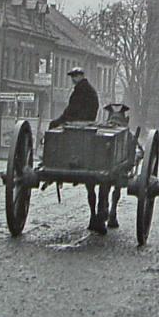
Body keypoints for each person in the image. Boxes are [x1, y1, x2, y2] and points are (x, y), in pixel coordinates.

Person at [49, 67, 109, 234]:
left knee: (53, 128)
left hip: (76, 123)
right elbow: (90, 109)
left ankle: (54, 157)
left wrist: (60, 120)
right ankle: (99, 216)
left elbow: (71, 110)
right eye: (72, 76)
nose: (73, 78)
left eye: (75, 76)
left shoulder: (81, 91)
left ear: (81, 76)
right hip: (86, 125)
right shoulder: (89, 91)